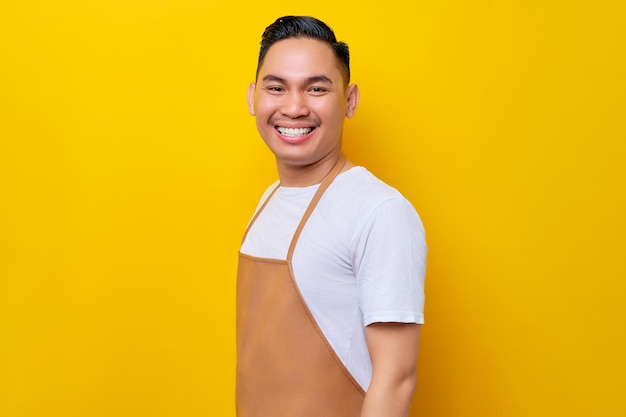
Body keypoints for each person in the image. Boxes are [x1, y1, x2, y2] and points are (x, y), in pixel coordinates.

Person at [237, 16, 427, 417]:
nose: (294, 107)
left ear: (350, 99)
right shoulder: (268, 199)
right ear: (253, 97)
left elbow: (396, 378)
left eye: (316, 88)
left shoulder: (379, 212)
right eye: (277, 87)